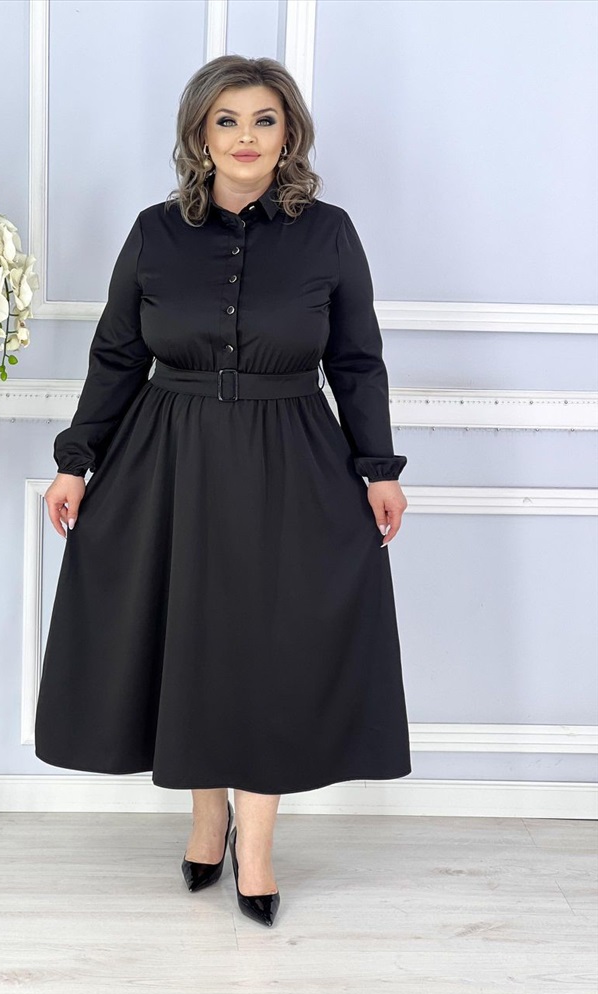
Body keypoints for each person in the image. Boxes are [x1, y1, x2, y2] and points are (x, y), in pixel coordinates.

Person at [34, 55, 411, 928]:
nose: (247, 137)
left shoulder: (329, 234)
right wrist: (75, 460)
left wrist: (379, 469)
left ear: (290, 135)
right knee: (190, 638)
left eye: (264, 120)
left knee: (271, 648)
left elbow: (358, 361)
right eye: (227, 121)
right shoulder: (154, 233)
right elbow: (117, 356)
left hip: (295, 458)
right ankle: (207, 822)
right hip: (168, 456)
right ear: (201, 136)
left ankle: (257, 847)